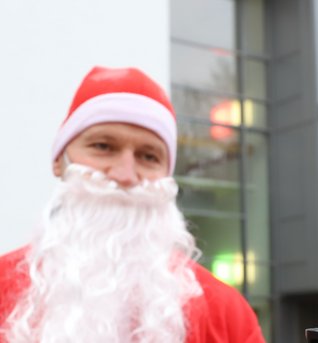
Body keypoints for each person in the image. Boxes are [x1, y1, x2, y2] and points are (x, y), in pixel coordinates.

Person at [0, 66, 265, 342]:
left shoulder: (227, 314)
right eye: (103, 146)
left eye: (149, 157)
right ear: (59, 161)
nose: (125, 175)